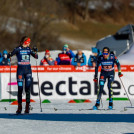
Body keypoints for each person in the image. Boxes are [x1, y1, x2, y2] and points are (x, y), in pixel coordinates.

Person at [8, 36, 38, 114]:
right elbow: (10, 55)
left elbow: (36, 57)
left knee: (27, 88)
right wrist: (8, 55)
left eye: (29, 42)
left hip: (28, 71)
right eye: (28, 42)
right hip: (20, 71)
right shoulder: (18, 49)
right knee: (20, 89)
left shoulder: (29, 49)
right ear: (25, 42)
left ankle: (27, 107)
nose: (29, 44)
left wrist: (35, 51)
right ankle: (19, 107)